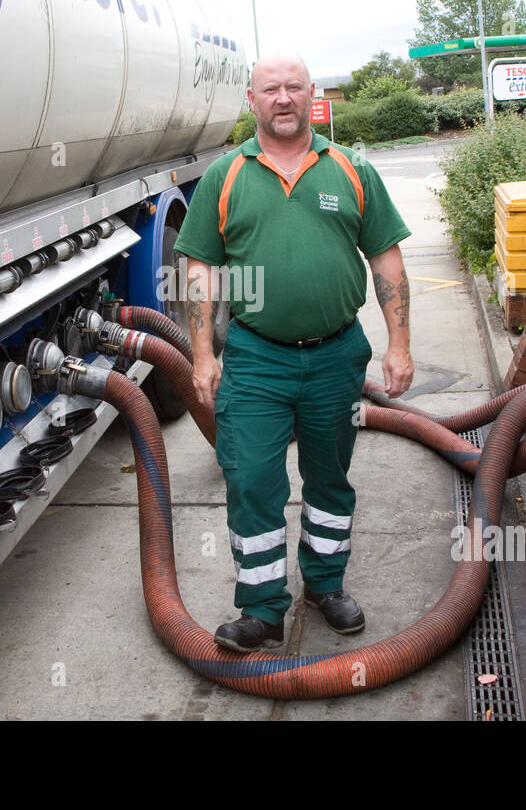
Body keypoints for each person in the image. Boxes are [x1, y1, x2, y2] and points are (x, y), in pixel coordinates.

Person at [173, 53, 414, 653]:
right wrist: (202, 355)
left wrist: (399, 345)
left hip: (337, 357)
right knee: (252, 480)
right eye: (270, 89)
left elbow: (385, 257)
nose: (283, 98)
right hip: (256, 359)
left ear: (314, 96)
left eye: (294, 88)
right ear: (250, 101)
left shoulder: (351, 170)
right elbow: (198, 268)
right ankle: (261, 608)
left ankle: (326, 585)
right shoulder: (225, 176)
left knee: (329, 479)